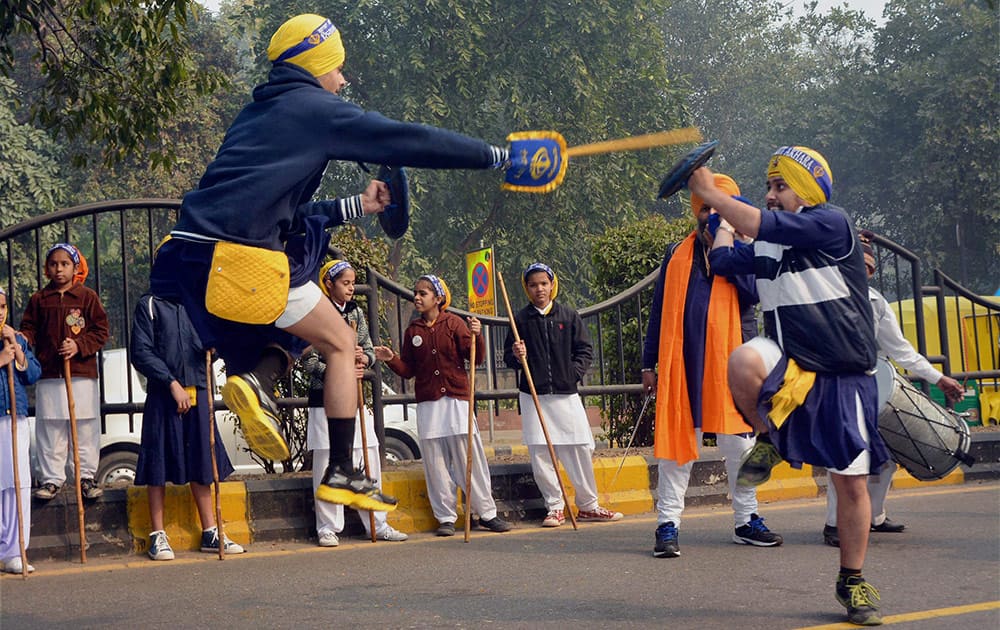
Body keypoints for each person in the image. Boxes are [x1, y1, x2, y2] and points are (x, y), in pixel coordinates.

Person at [147, 13, 512, 513]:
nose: (343, 80)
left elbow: (291, 213)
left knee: (298, 287)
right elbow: (407, 138)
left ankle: (254, 375)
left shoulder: (257, 115)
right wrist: (495, 157)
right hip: (242, 260)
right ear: (315, 63)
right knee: (341, 341)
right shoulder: (315, 108)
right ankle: (341, 468)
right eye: (338, 68)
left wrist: (358, 206)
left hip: (189, 259)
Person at [693, 146, 890, 626]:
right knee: (742, 360)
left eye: (780, 187)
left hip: (845, 376)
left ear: (807, 189)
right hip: (795, 368)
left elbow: (762, 224)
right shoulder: (768, 246)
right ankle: (769, 435)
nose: (770, 195)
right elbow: (722, 262)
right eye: (769, 187)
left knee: (851, 486)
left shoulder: (832, 224)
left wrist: (710, 193)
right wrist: (718, 221)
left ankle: (852, 577)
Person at [641, 174, 783, 558]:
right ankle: (667, 526)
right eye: (706, 208)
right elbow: (658, 313)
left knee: (740, 445)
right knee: (676, 450)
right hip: (682, 365)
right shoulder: (676, 255)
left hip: (731, 367)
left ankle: (746, 520)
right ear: (696, 212)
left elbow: (756, 294)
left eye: (720, 207)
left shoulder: (745, 251)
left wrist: (731, 247)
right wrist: (647, 363)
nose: (712, 215)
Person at [822, 232, 965, 547]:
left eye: (867, 267)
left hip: (867, 388)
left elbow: (902, 351)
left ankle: (873, 517)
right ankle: (834, 525)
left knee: (884, 460)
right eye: (854, 263)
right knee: (845, 457)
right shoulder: (826, 298)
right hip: (833, 388)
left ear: (871, 271)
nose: (862, 270)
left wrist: (937, 378)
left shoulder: (876, 303)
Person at [375, 275, 511, 536]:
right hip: (429, 404)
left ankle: (486, 513)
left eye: (423, 293)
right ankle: (446, 517)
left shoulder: (454, 323)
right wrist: (391, 358)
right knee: (435, 462)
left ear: (438, 299)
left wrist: (476, 336)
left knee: (468, 457)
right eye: (415, 292)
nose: (417, 297)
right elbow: (408, 370)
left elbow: (476, 357)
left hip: (457, 401)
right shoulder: (413, 330)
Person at [503, 263, 622, 527]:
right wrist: (516, 353)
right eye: (533, 285)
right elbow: (508, 359)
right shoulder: (520, 320)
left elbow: (584, 350)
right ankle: (555, 507)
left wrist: (572, 373)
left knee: (578, 447)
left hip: (565, 394)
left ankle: (588, 505)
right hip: (534, 396)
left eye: (543, 283)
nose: (539, 289)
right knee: (541, 453)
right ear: (527, 289)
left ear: (552, 284)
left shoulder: (568, 316)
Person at [130, 294, 245, 560]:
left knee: (202, 459)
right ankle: (158, 535)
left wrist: (214, 348)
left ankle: (210, 530)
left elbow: (214, 342)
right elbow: (141, 351)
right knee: (158, 460)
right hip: (164, 391)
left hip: (199, 387)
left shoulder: (201, 303)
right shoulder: (149, 304)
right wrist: (171, 383)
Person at [301, 260, 408, 546]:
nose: (350, 288)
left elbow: (370, 350)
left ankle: (376, 522)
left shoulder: (356, 313)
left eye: (352, 283)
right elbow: (309, 361)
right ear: (329, 284)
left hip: (355, 398)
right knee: (327, 458)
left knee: (368, 454)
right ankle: (327, 527)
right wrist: (340, 369)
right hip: (324, 400)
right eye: (345, 283)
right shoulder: (315, 314)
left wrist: (363, 360)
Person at [20, 243, 110, 501]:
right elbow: (29, 329)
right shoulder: (39, 299)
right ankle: (52, 479)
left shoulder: (87, 297)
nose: (59, 269)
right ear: (47, 269)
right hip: (49, 374)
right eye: (53, 264)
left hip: (81, 373)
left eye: (64, 264)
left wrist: (79, 345)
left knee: (84, 426)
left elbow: (100, 331)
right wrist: (22, 340)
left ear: (75, 267)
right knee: (51, 426)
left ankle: (85, 477)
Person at [0, 287, 42, 574]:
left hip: (15, 418)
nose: (0, 313)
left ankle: (16, 548)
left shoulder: (16, 339)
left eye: (2, 307)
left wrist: (19, 356)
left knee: (18, 483)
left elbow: (33, 374)